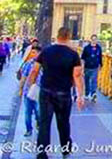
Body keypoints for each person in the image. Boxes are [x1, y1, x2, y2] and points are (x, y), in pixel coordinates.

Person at [28, 26, 84, 158]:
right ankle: (65, 148)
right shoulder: (73, 54)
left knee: (44, 122)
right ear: (69, 37)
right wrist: (80, 95)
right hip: (64, 93)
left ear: (57, 36)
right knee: (63, 122)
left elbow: (35, 70)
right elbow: (77, 75)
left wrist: (31, 84)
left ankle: (42, 151)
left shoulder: (46, 51)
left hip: (46, 92)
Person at [19, 43, 41, 136]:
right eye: (31, 52)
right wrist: (21, 89)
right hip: (28, 91)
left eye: (34, 52)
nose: (32, 54)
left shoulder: (44, 64)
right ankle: (28, 129)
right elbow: (23, 77)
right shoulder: (29, 64)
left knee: (38, 111)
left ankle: (38, 124)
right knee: (27, 112)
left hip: (39, 91)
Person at [81, 34, 103, 101]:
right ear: (91, 40)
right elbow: (83, 58)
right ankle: (87, 94)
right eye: (93, 39)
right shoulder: (86, 48)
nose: (94, 41)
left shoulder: (99, 48)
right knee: (86, 81)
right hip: (87, 67)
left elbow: (100, 57)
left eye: (95, 39)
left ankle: (93, 94)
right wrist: (82, 67)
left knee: (94, 80)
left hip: (95, 67)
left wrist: (100, 65)